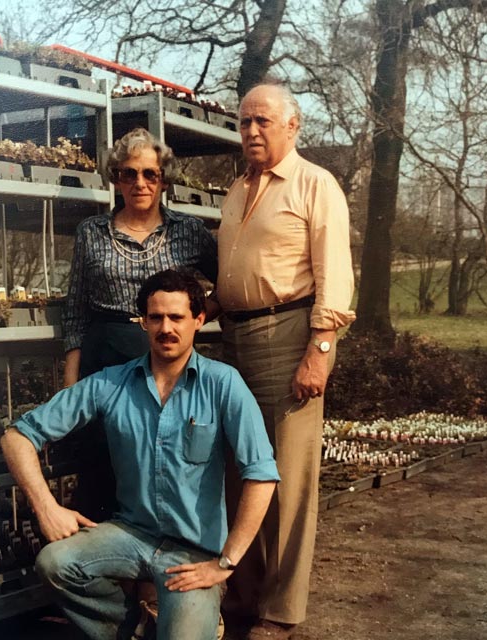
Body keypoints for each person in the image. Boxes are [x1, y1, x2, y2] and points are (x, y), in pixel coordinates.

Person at [1, 269, 279, 640]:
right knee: (55, 562)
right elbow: (17, 435)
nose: (166, 328)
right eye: (156, 317)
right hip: (130, 534)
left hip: (192, 554)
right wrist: (47, 507)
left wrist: (225, 563)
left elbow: (261, 473)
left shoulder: (222, 383)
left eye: (177, 317)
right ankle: (134, 627)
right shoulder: (111, 382)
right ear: (143, 322)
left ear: (198, 320)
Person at [217, 84, 356, 639]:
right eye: (244, 121)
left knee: (290, 477)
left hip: (291, 335)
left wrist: (319, 353)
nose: (251, 131)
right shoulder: (235, 190)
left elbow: (335, 276)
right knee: (239, 470)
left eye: (262, 121)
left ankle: (281, 610)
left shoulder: (315, 184)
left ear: (292, 126)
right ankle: (245, 594)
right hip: (234, 339)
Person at [62, 127, 218, 521]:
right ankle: (103, 568)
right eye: (128, 173)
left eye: (150, 174)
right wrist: (71, 384)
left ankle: (161, 566)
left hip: (165, 358)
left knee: (162, 458)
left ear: (164, 179)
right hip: (106, 359)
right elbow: (76, 309)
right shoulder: (91, 233)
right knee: (102, 462)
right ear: (115, 179)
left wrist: (193, 321)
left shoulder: (189, 231)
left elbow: (226, 285)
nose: (140, 183)